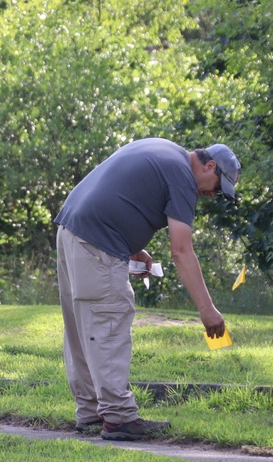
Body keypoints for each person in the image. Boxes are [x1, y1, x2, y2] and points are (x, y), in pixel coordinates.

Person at [55, 138, 241, 441]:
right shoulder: (183, 177)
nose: (212, 195)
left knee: (82, 326)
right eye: (218, 187)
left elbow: (119, 194)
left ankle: (91, 413)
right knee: (109, 320)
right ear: (210, 166)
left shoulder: (163, 148)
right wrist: (208, 311)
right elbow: (181, 251)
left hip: (71, 230)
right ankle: (118, 418)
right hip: (95, 238)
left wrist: (131, 248)